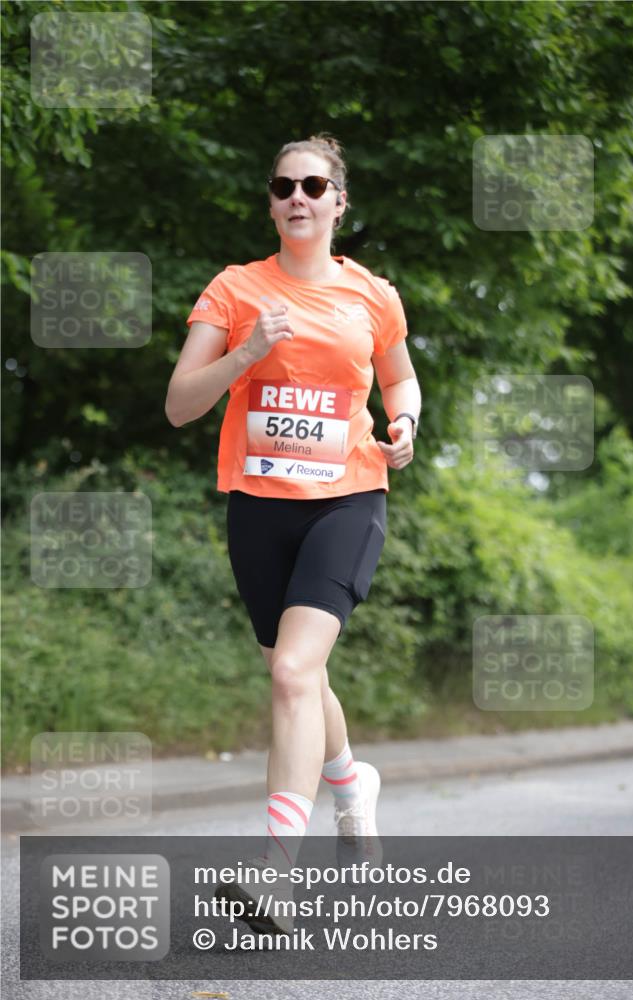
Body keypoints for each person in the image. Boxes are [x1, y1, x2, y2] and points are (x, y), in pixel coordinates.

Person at [165, 133, 421, 934]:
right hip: (260, 505)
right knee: (290, 670)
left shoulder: (372, 295)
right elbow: (179, 404)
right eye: (282, 186)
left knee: (293, 672)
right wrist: (247, 350)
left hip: (348, 499)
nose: (297, 198)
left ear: (339, 200)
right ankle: (351, 784)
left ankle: (276, 874)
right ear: (271, 201)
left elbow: (398, 373)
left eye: (313, 184)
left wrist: (403, 421)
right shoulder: (235, 289)